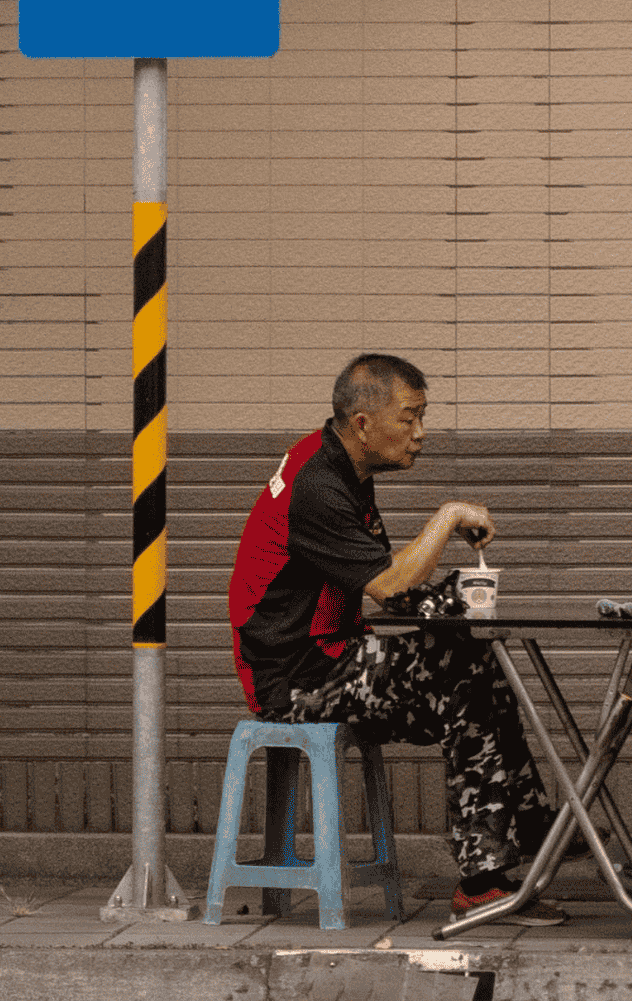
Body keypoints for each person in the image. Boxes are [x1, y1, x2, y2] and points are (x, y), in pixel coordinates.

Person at [228, 352, 568, 926]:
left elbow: (376, 579)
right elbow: (386, 583)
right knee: (463, 675)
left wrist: (450, 598)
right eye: (409, 418)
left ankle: (522, 832)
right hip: (297, 684)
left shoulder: (338, 467)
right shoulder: (318, 484)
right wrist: (447, 516)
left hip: (333, 661)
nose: (421, 433)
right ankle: (491, 869)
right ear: (363, 424)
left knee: (471, 660)